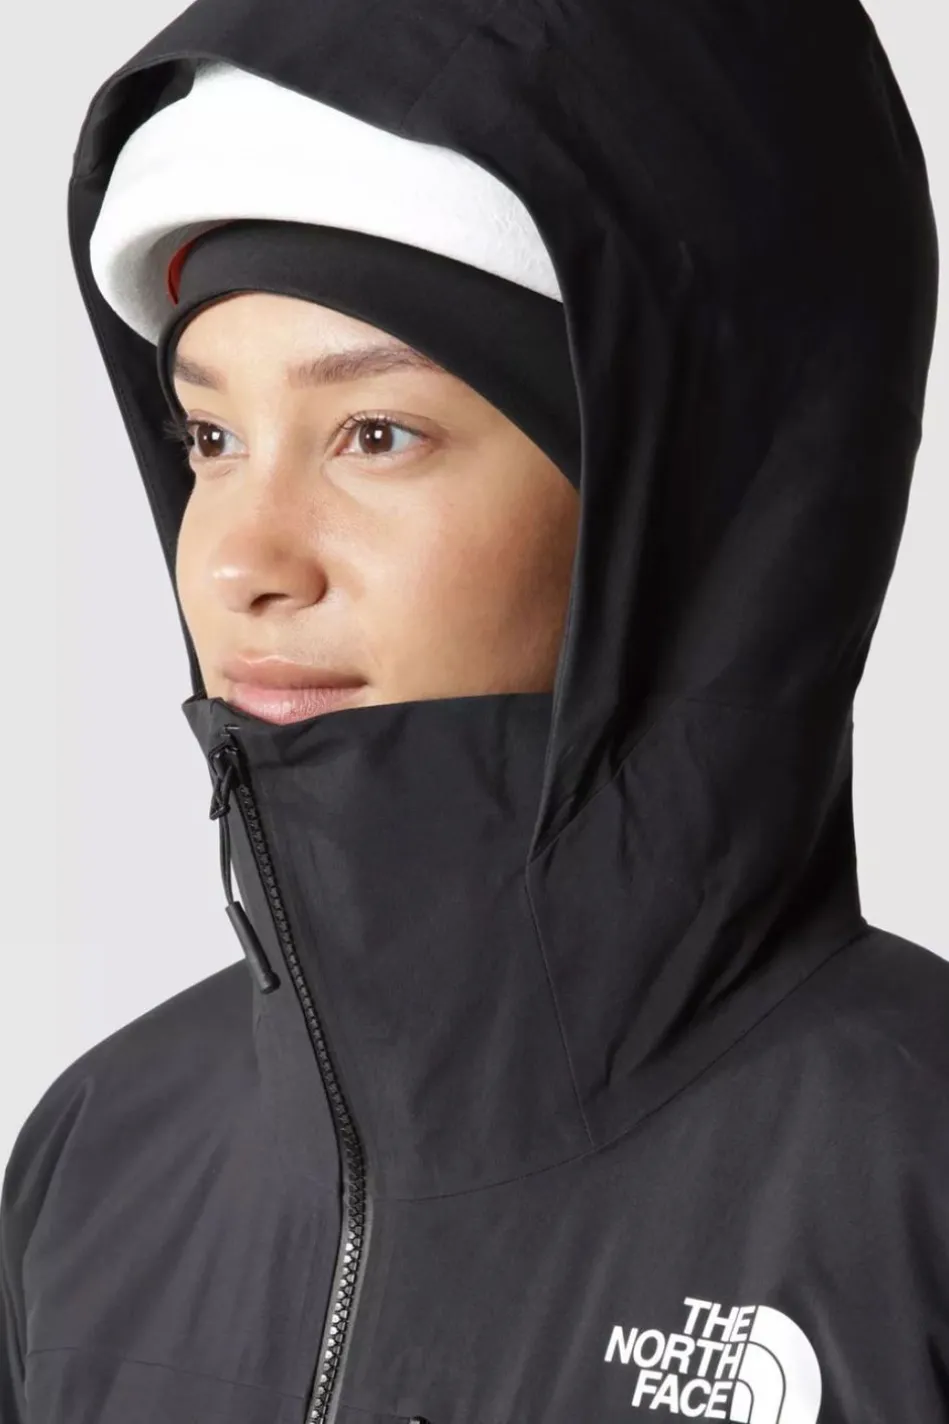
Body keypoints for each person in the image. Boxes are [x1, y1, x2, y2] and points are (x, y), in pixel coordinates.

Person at [1, 1, 944, 1420]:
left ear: (668, 515)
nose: (241, 562)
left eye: (376, 435)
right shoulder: (99, 1158)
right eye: (212, 437)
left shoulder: (911, 1192)